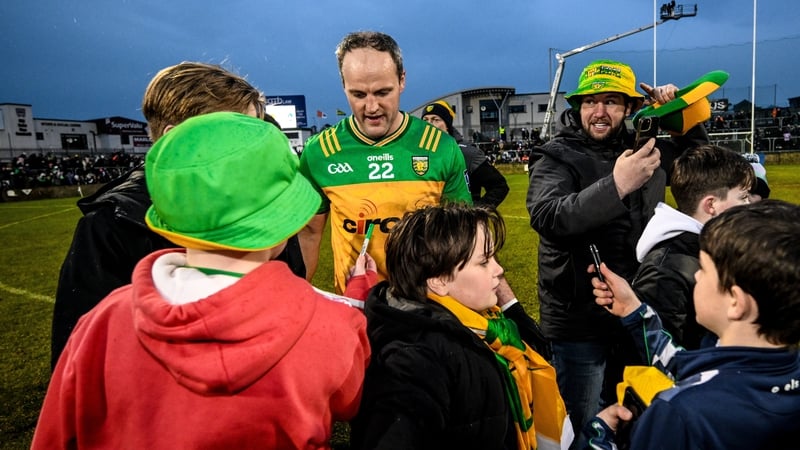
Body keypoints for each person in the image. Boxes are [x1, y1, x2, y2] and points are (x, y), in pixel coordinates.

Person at [32, 112, 371, 449]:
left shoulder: (103, 321)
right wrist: (358, 296)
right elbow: (349, 399)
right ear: (279, 223)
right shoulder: (331, 327)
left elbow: (56, 435)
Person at [50, 61, 307, 370]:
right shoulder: (113, 223)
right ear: (175, 139)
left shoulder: (265, 198)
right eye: (236, 130)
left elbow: (292, 289)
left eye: (255, 128)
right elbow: (80, 361)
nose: (253, 144)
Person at [525, 59, 710, 449]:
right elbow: (548, 216)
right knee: (584, 422)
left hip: (637, 309)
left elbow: (703, 176)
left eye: (611, 102)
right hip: (577, 318)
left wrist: (684, 122)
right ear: (577, 108)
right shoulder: (556, 154)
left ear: (628, 108)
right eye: (590, 102)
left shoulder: (648, 147)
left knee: (635, 414)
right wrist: (617, 185)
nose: (599, 111)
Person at [350, 203, 571, 450]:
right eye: (484, 261)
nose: (499, 270)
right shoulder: (412, 362)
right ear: (439, 281)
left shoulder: (483, 326)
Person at [585, 199, 800, 450]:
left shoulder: (679, 415)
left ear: (736, 302)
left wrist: (599, 438)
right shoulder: (781, 372)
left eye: (705, 269)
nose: (696, 275)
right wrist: (635, 311)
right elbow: (689, 367)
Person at [298, 31, 472, 295]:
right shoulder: (320, 152)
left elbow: (463, 236)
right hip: (358, 309)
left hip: (427, 308)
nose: (371, 107)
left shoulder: (439, 148)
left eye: (382, 92)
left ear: (402, 80)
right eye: (358, 94)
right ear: (343, 85)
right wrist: (297, 296)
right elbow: (309, 234)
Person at [631, 144, 754, 350]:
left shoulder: (710, 248)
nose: (748, 204)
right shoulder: (665, 269)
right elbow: (658, 353)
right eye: (742, 197)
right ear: (711, 205)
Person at [421, 100, 510, 208]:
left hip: (459, 222)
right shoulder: (418, 154)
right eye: (425, 120)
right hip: (428, 223)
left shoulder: (466, 153)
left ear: (447, 125)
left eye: (436, 119)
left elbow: (499, 186)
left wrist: (476, 212)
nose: (429, 124)